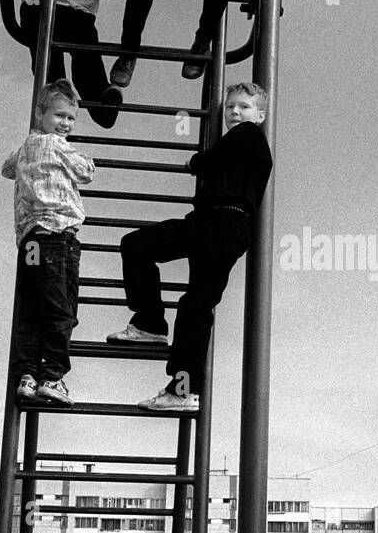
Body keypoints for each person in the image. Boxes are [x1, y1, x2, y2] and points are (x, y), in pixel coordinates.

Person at [108, 83, 272, 410]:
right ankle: (150, 323)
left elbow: (213, 160)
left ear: (260, 115)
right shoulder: (238, 141)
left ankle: (183, 390)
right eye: (230, 108)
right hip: (205, 222)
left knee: (196, 307)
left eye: (244, 107)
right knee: (136, 245)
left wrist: (196, 162)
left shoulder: (249, 136)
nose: (235, 113)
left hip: (227, 225)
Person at [2, 79, 94, 407]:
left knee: (31, 311)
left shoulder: (27, 145)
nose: (65, 124)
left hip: (30, 241)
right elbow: (86, 173)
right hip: (58, 239)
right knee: (61, 310)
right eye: (59, 116)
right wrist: (83, 160)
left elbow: (7, 169)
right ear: (40, 114)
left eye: (70, 119)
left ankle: (27, 374)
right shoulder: (59, 146)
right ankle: (53, 376)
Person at [15, 0, 150, 128]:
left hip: (78, 18)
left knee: (87, 55)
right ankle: (56, 88)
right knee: (47, 53)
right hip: (47, 8)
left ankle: (102, 103)